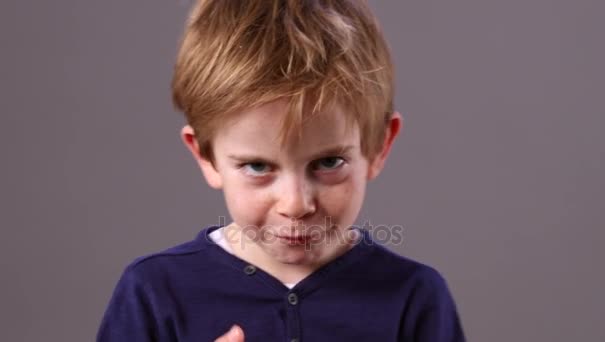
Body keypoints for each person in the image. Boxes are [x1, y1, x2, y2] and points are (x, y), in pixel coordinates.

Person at [96, 1, 466, 341]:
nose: (295, 204)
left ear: (378, 147)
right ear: (206, 156)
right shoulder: (154, 291)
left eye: (328, 162)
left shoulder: (414, 297)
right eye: (258, 166)